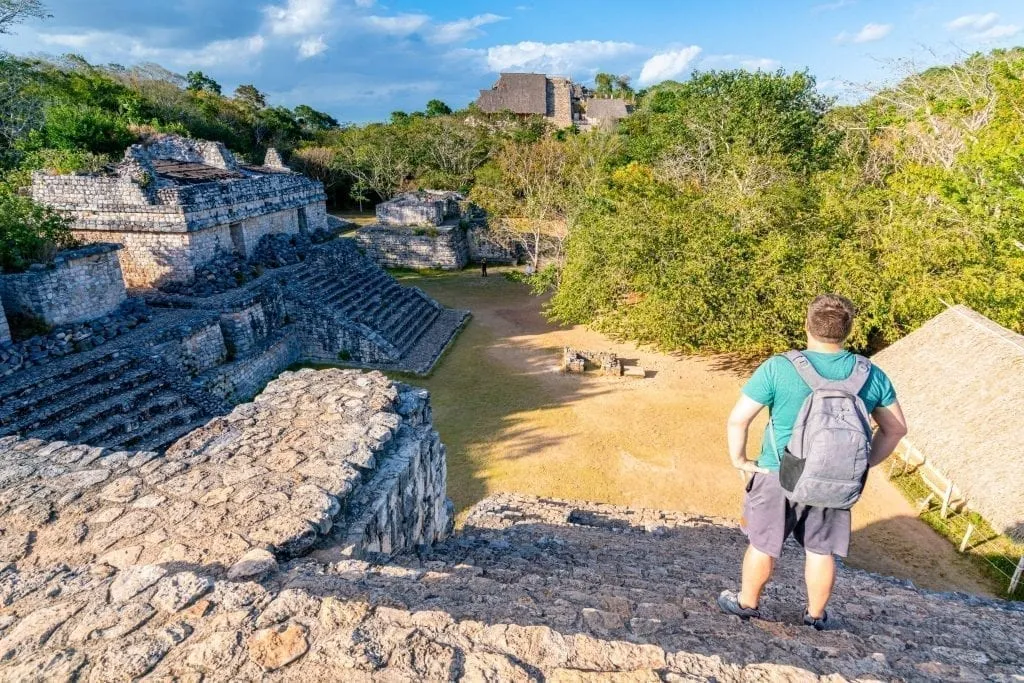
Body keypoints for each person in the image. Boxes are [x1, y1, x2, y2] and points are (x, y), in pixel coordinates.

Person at [718, 294, 908, 629]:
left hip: (778, 472)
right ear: (848, 331)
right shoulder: (871, 375)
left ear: (807, 325)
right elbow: (895, 429)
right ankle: (816, 616)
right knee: (821, 551)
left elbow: (738, 420)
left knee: (763, 544)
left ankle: (747, 604)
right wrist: (860, 465)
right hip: (834, 480)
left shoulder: (780, 367)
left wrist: (740, 460)